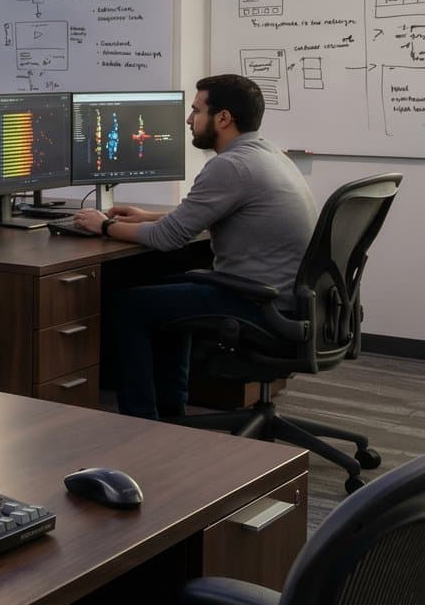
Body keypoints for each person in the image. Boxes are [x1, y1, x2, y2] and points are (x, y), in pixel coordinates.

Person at [72, 74, 317, 420]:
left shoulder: (230, 166)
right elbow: (189, 221)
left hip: (259, 303)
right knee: (169, 294)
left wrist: (106, 225)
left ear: (223, 118)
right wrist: (147, 216)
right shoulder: (267, 154)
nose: (189, 120)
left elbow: (167, 238)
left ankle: (140, 423)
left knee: (128, 306)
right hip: (284, 299)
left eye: (196, 110)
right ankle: (172, 410)